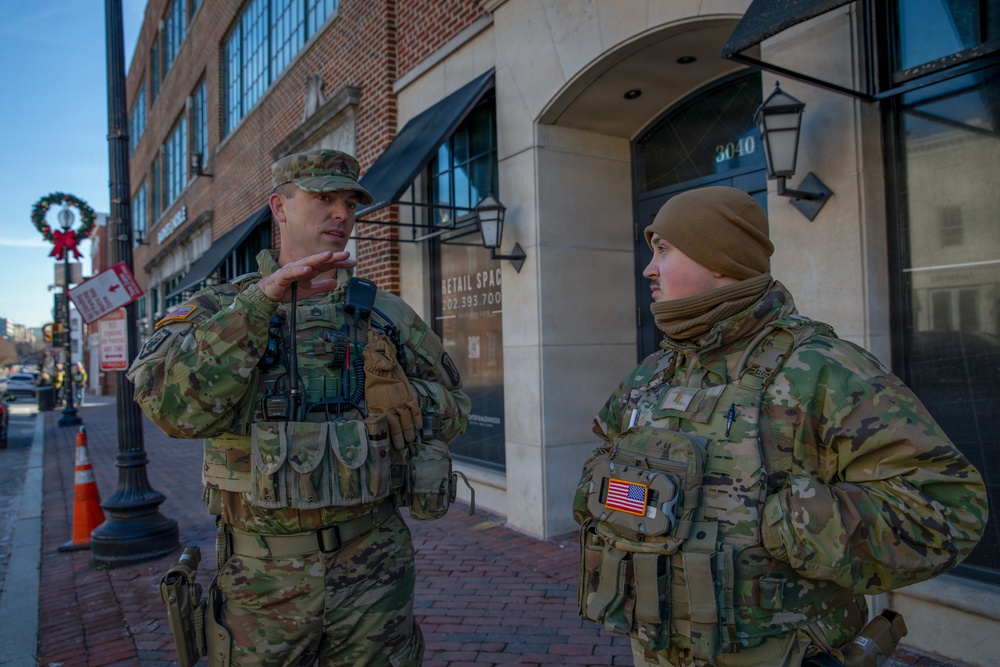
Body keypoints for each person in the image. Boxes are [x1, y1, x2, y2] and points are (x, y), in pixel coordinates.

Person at [573, 186, 987, 667]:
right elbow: (601, 468)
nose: (649, 268)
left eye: (664, 249)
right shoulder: (653, 373)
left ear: (719, 261)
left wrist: (786, 523)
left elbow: (949, 506)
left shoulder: (820, 369)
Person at [128, 149, 471, 666]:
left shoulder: (386, 314)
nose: (342, 214)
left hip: (374, 570)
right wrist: (260, 303)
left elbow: (457, 410)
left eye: (350, 202)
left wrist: (407, 395)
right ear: (280, 207)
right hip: (261, 581)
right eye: (324, 198)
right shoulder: (215, 310)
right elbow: (170, 409)